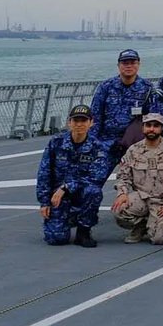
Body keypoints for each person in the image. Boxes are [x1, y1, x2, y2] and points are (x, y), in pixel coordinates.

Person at [36, 104, 110, 247]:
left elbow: (97, 177)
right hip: (58, 198)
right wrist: (44, 202)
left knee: (94, 192)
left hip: (81, 193)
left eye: (84, 120)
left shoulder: (98, 147)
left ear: (91, 123)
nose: (79, 124)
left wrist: (67, 187)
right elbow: (44, 173)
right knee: (56, 239)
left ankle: (83, 231)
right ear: (69, 122)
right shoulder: (56, 143)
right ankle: (68, 218)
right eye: (76, 121)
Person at [111, 112, 163, 244]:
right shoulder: (133, 150)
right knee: (119, 209)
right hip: (142, 197)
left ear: (162, 128)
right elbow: (124, 176)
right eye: (148, 125)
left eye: (156, 125)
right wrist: (122, 193)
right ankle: (140, 226)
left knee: (159, 239)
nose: (152, 129)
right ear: (143, 128)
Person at [90, 48, 163, 159]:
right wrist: (93, 143)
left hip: (135, 144)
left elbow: (153, 118)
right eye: (125, 63)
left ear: (138, 64)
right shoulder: (106, 87)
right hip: (106, 143)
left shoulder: (147, 88)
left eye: (132, 62)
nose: (129, 66)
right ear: (118, 65)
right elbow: (95, 117)